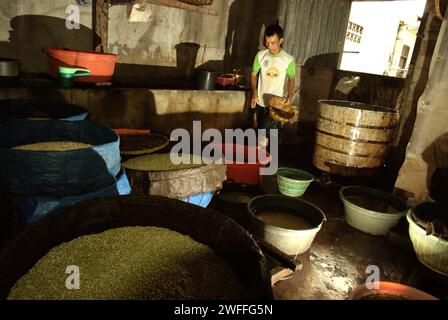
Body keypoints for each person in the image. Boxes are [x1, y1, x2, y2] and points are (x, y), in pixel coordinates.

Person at [250, 24, 296, 149]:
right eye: (267, 42)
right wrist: (254, 93)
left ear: (281, 41)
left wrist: (290, 95)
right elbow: (254, 75)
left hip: (275, 104)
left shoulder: (288, 59)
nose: (269, 46)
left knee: (262, 133)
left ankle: (259, 160)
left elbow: (291, 78)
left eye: (273, 42)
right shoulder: (260, 55)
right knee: (266, 133)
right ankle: (268, 160)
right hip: (260, 101)